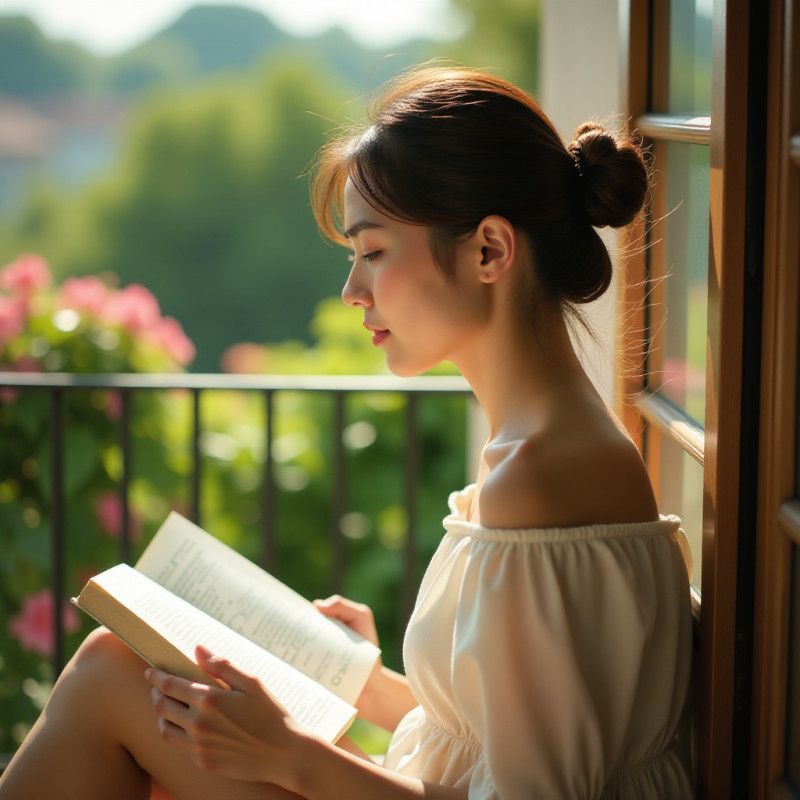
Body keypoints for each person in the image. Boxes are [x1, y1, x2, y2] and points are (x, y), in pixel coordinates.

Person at [0, 65, 693, 799]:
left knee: (113, 675)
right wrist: (368, 683)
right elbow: (503, 738)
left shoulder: (541, 477)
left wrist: (288, 754)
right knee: (122, 670)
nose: (352, 291)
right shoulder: (537, 449)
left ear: (489, 250)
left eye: (374, 252)